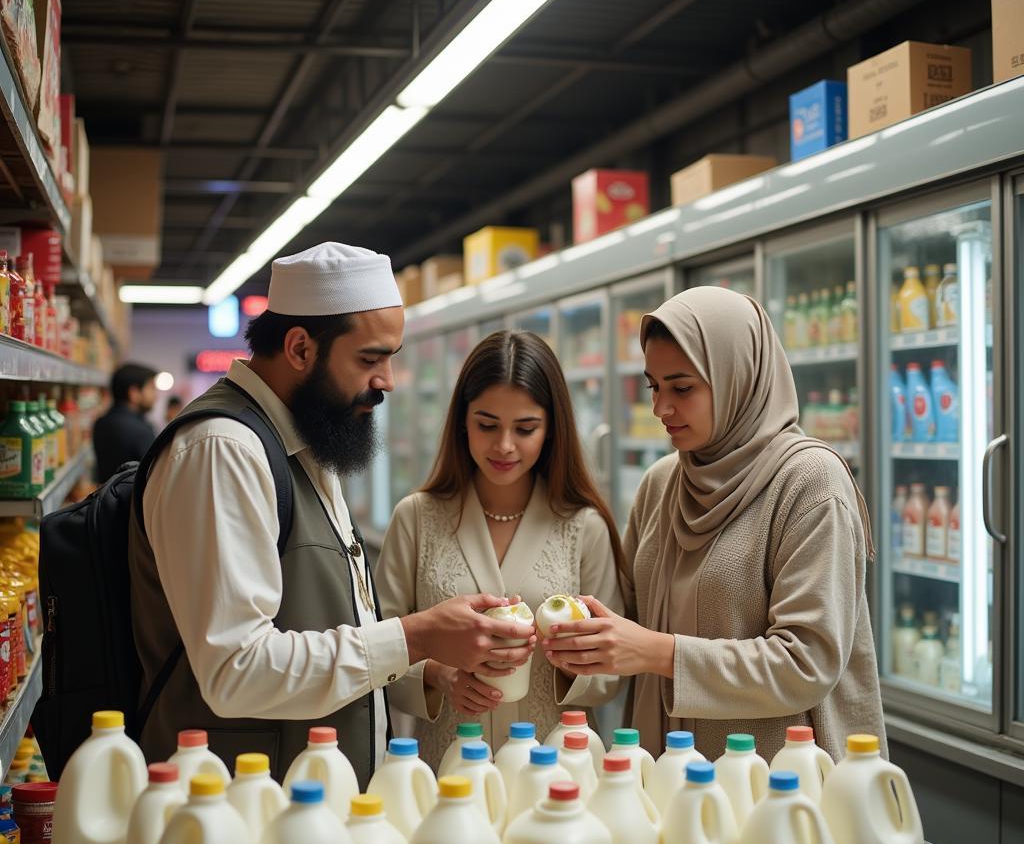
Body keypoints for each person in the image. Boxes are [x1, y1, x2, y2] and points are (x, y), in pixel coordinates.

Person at [127, 243, 536, 783]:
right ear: (299, 348)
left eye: (391, 357)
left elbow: (333, 627)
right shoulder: (223, 450)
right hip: (235, 809)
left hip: (301, 800)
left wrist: (428, 663)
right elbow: (236, 670)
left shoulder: (302, 442)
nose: (387, 380)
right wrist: (415, 635)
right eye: (370, 359)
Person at [543, 286, 885, 763]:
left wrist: (658, 653)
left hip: (774, 781)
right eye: (653, 387)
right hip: (666, 773)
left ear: (737, 378)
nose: (662, 408)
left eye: (681, 388)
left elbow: (805, 663)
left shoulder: (810, 484)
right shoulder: (663, 484)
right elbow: (627, 627)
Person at [376, 330, 625, 769]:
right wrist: (440, 674)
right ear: (462, 423)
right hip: (449, 768)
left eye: (525, 428)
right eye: (487, 425)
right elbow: (376, 653)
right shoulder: (417, 518)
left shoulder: (583, 527)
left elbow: (613, 673)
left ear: (551, 430)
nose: (504, 445)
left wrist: (569, 662)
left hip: (557, 769)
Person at [92, 362, 158, 481]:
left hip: (105, 497)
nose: (156, 396)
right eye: (151, 388)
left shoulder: (100, 422)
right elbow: (155, 475)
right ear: (134, 393)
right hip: (134, 498)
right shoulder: (140, 429)